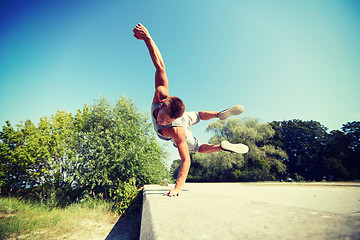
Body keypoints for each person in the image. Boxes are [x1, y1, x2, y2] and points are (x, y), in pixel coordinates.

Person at [133, 23, 249, 197]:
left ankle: (221, 130)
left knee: (198, 148)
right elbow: (160, 66)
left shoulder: (176, 131)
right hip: (184, 117)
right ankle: (220, 128)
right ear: (163, 103)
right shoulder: (160, 94)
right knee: (199, 116)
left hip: (182, 126)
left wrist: (178, 187)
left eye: (166, 121)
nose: (161, 121)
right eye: (163, 117)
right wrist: (147, 38)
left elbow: (186, 160)